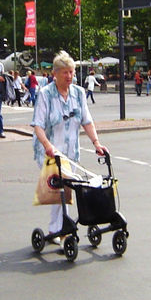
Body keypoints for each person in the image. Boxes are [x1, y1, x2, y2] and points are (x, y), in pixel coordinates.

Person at [32, 51, 107, 239]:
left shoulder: (79, 93)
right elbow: (38, 126)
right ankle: (58, 230)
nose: (69, 76)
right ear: (55, 74)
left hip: (70, 151)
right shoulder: (45, 94)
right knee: (60, 189)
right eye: (65, 72)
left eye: (71, 72)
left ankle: (58, 228)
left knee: (67, 188)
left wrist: (96, 143)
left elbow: (86, 121)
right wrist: (48, 145)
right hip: (50, 151)